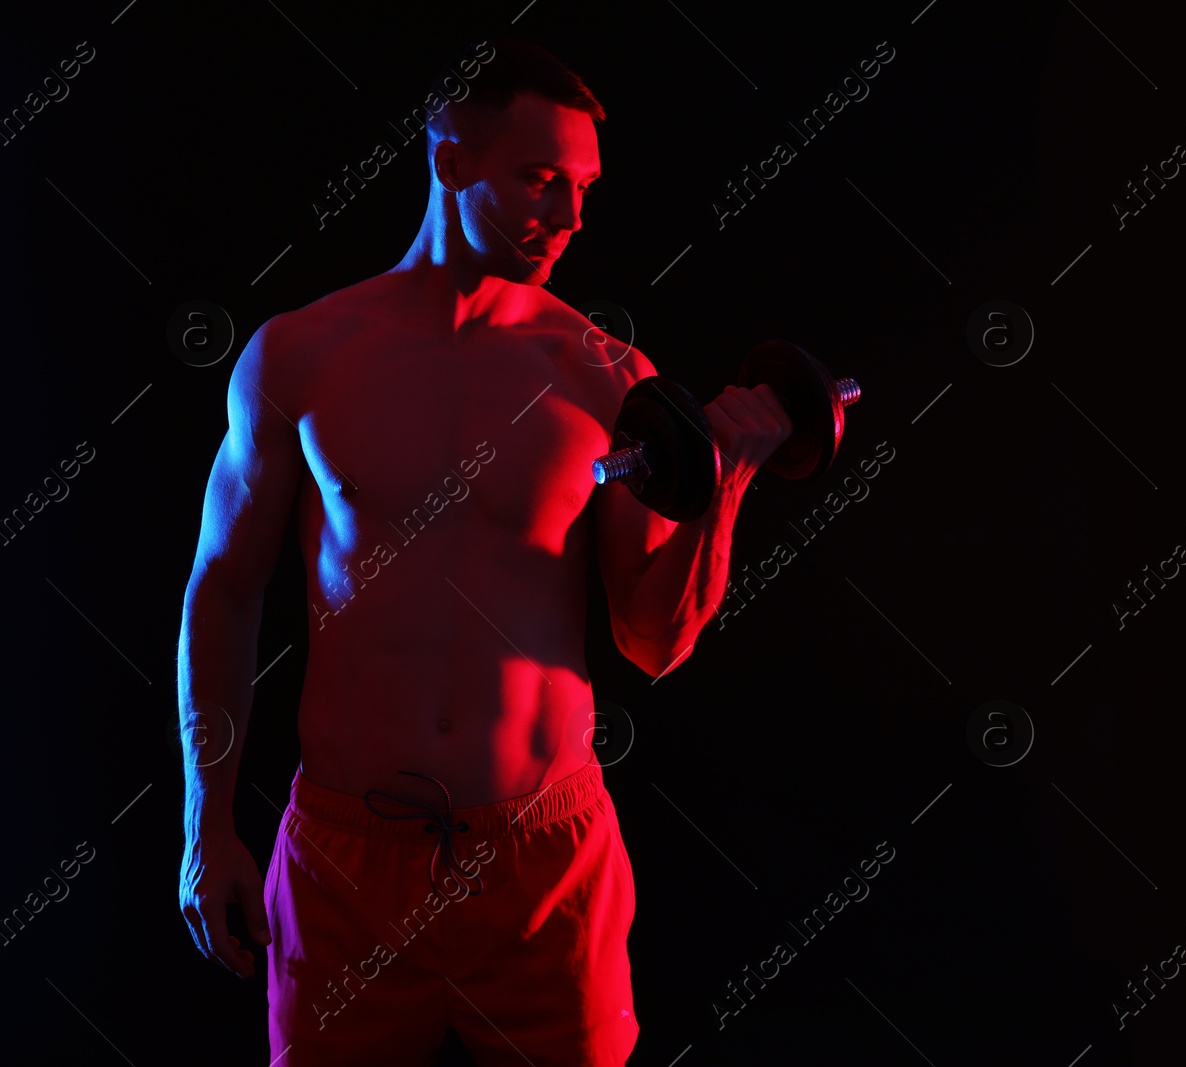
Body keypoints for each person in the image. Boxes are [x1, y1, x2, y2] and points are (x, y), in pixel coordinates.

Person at [176, 37, 791, 1066]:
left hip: (542, 865)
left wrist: (723, 481)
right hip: (344, 866)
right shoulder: (303, 354)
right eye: (541, 179)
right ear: (450, 157)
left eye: (584, 188)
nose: (569, 216)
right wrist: (208, 828)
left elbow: (653, 639)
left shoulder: (608, 379)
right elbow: (224, 589)